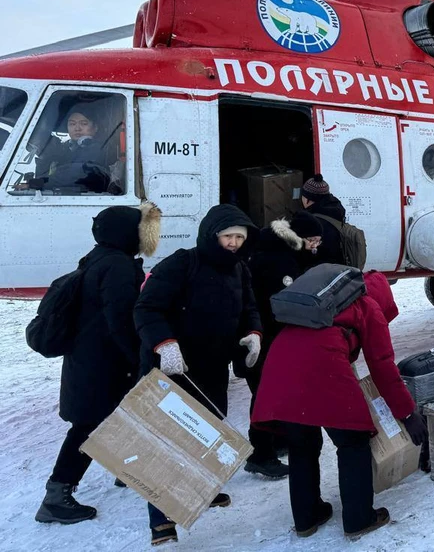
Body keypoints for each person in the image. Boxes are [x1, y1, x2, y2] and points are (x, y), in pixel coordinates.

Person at [252, 269, 425, 540]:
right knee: (352, 441)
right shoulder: (369, 307)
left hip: (279, 369)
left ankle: (307, 517)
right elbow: (382, 368)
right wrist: (407, 413)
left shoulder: (323, 305)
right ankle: (359, 519)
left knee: (302, 445)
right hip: (322, 367)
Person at [134, 203, 262, 545]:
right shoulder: (181, 263)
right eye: (227, 236)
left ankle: (200, 490)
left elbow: (250, 306)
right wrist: (165, 344)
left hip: (212, 369)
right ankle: (161, 520)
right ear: (211, 235)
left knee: (206, 433)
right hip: (174, 368)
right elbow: (146, 307)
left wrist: (253, 333)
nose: (234, 243)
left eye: (239, 237)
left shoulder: (239, 269)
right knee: (169, 441)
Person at [35, 201, 161, 525]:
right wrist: (140, 357)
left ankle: (125, 470)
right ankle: (56, 495)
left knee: (115, 418)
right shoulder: (117, 267)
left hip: (90, 361)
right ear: (127, 234)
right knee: (88, 428)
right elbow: (120, 320)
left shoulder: (98, 258)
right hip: (103, 365)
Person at [243, 211, 328, 477]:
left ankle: (276, 441)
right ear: (298, 237)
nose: (314, 246)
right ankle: (261, 454)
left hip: (265, 337)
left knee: (270, 393)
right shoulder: (278, 261)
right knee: (266, 395)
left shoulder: (279, 249)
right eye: (312, 240)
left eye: (318, 241)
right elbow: (283, 305)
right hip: (263, 340)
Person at [26, 105, 116, 194]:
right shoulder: (66, 151)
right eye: (72, 124)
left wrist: (40, 182)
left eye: (84, 123)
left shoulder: (98, 149)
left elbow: (77, 172)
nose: (77, 128)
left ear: (95, 128)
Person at [299, 173, 347, 265]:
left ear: (307, 199)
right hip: (337, 267)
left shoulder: (311, 223)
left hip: (320, 271)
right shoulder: (336, 212)